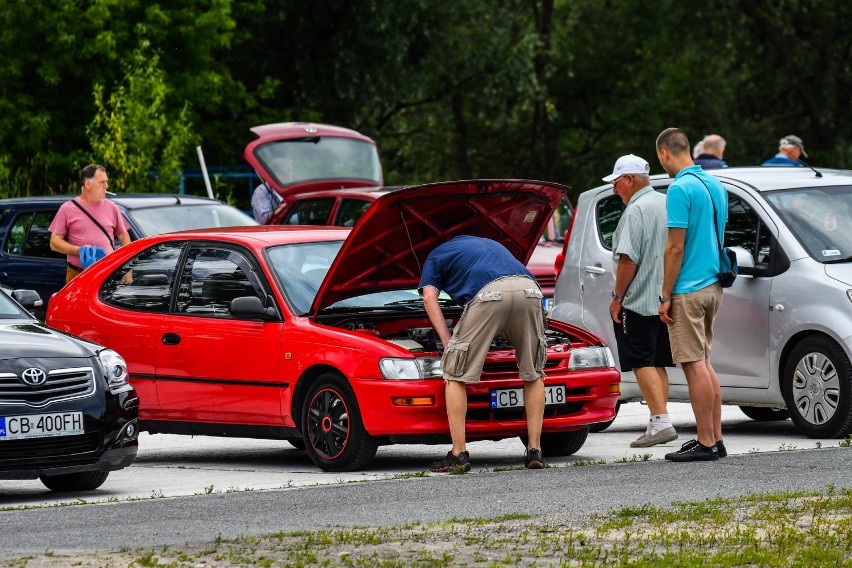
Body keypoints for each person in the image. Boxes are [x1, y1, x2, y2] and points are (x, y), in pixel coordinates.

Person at [419, 235, 547, 472]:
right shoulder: (487, 243)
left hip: (489, 295)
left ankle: (458, 453)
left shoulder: (434, 256)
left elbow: (429, 298)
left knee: (454, 372)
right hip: (529, 289)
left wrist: (448, 341)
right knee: (534, 372)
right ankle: (534, 451)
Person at [656, 128, 727, 462]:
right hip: (714, 284)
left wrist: (665, 293)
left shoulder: (679, 188)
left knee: (692, 363)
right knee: (705, 362)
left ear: (665, 154)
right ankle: (716, 437)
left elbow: (675, 247)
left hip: (688, 287)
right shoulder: (716, 185)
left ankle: (705, 441)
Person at [602, 154, 677, 448]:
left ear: (630, 180)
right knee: (658, 360)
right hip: (664, 298)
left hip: (639, 298)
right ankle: (661, 420)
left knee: (640, 360)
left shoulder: (635, 211)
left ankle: (660, 421)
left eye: (616, 182)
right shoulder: (665, 202)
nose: (614, 189)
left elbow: (628, 259)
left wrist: (617, 298)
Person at [49, 164, 131, 283]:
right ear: (88, 184)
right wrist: (80, 251)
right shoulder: (67, 209)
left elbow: (124, 237)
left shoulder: (112, 207)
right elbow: (54, 243)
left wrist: (127, 269)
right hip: (77, 275)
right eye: (102, 182)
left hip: (107, 274)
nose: (106, 186)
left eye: (106, 182)